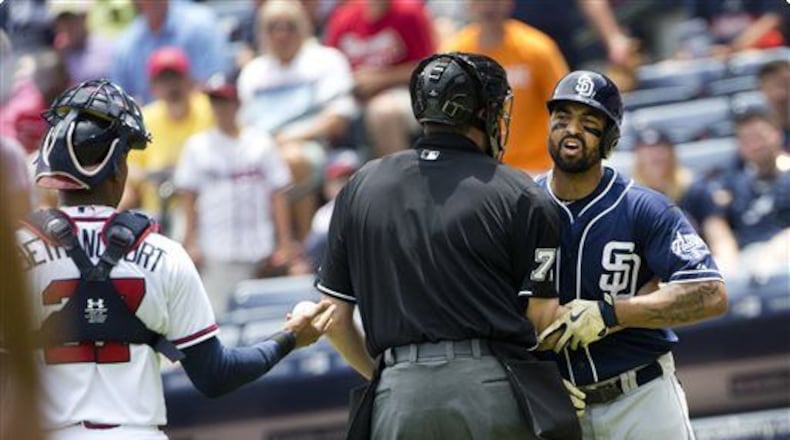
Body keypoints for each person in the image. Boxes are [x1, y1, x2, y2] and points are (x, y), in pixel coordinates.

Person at [18, 78, 335, 440]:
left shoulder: (13, 254)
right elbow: (217, 375)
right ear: (119, 169)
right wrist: (291, 337)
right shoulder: (165, 253)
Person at [317, 52, 582, 440]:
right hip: (491, 386)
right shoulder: (521, 192)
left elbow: (334, 319)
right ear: (480, 113)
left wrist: (387, 377)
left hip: (397, 393)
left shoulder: (360, 186)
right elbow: (542, 321)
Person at [535, 70, 729, 440]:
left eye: (588, 122)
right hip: (556, 404)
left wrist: (611, 313)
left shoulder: (643, 207)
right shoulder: (519, 206)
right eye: (562, 119)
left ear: (610, 138)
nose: (572, 130)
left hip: (640, 397)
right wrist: (532, 377)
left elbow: (711, 293)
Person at [175, 72, 300, 320]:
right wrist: (191, 241)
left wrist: (284, 243)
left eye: (225, 100)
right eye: (215, 101)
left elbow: (278, 194)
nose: (220, 107)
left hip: (260, 249)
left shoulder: (260, 141)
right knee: (218, 321)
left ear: (238, 103)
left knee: (262, 322)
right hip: (217, 249)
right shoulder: (197, 145)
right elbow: (188, 196)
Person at [237, 0, 357, 241]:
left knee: (291, 159)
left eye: (288, 26)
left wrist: (293, 136)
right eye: (273, 27)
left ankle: (300, 244)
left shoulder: (325, 60)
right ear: (263, 33)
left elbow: (339, 117)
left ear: (302, 27)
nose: (281, 34)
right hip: (262, 147)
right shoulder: (254, 72)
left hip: (313, 144)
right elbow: (243, 124)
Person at [442, 0, 568, 175]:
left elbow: (563, 105)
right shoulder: (457, 52)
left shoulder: (538, 48)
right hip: (479, 169)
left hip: (535, 167)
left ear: (510, 3)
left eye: (497, 1)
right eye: (483, 2)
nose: (489, 7)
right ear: (470, 4)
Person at [120, 46, 215, 236]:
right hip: (156, 214)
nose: (171, 86)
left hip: (206, 209)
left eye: (176, 77)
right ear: (153, 86)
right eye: (163, 79)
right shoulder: (146, 119)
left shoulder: (210, 109)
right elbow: (130, 173)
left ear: (189, 79)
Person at [324, 0, 436, 157]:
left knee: (384, 112)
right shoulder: (344, 16)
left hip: (400, 91)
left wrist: (381, 79)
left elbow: (428, 67)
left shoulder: (409, 12)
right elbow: (327, 65)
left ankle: (398, 178)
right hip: (352, 94)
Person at [632, 128, 740, 277]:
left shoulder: (694, 189)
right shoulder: (631, 199)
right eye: (646, 152)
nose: (654, 158)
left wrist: (726, 269)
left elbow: (719, 235)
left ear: (672, 154)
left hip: (695, 269)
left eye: (660, 151)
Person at [711, 108, 790, 279]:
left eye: (759, 137)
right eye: (746, 140)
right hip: (746, 259)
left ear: (777, 135)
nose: (754, 145)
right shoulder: (731, 182)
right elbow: (717, 223)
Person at [109, 0, 230, 104]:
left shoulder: (200, 24)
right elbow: (120, 100)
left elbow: (215, 82)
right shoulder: (125, 44)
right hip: (148, 125)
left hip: (202, 119)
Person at [757, 59, 789, 149]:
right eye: (773, 87)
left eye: (786, 85)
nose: (781, 94)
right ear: (761, 90)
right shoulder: (759, 137)